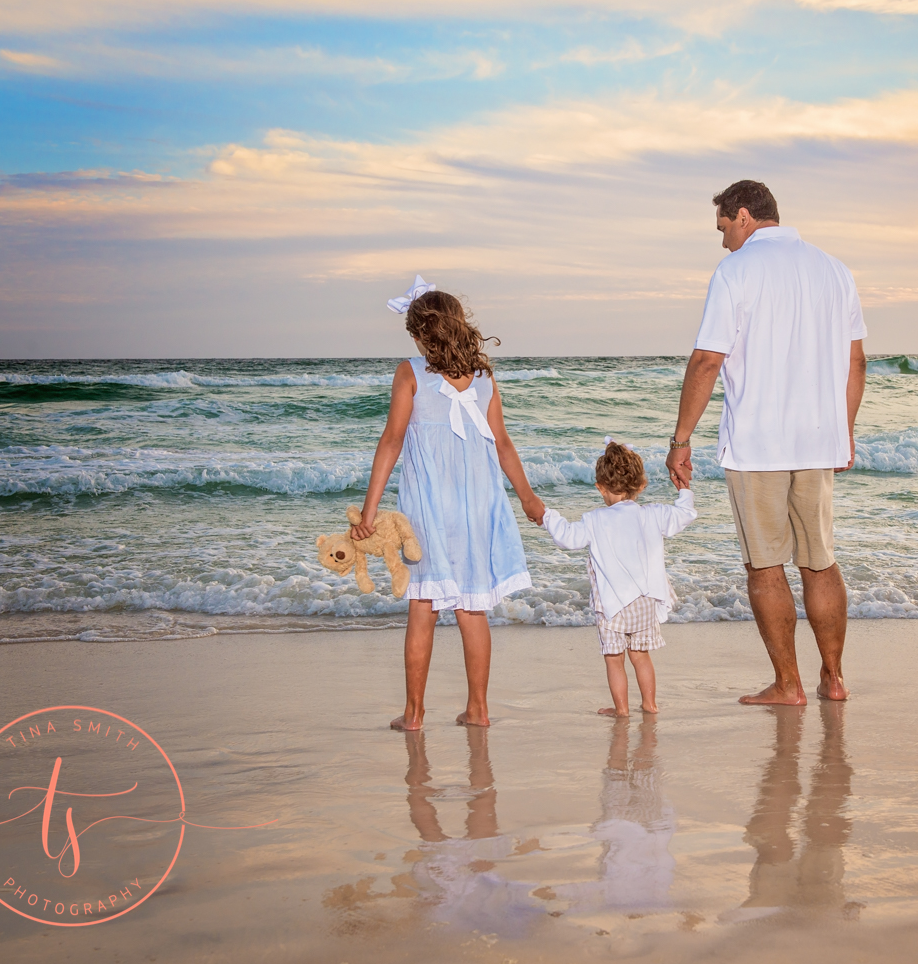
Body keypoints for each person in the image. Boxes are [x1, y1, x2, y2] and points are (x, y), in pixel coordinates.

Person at [664, 180, 868, 706]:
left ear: (745, 215)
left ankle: (788, 685)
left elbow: (708, 360)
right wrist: (843, 432)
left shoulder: (736, 271)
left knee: (764, 565)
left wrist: (680, 439)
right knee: (820, 561)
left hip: (758, 444)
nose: (723, 241)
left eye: (724, 228)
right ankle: (834, 678)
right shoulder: (834, 269)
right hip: (819, 440)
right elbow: (856, 362)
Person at [353, 279, 544, 730]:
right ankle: (478, 709)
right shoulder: (483, 376)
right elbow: (503, 445)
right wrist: (528, 497)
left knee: (424, 604)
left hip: (429, 508)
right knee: (472, 606)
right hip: (478, 505)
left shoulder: (410, 373)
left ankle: (415, 714)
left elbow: (391, 442)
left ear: (421, 334)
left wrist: (369, 512)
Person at [538, 439, 697, 716]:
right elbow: (685, 514)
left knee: (614, 660)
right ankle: (650, 704)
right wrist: (684, 490)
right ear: (642, 485)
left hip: (613, 606)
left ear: (600, 487)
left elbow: (566, 538)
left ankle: (621, 710)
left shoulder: (594, 520)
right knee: (640, 656)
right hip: (646, 601)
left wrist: (546, 515)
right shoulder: (654, 514)